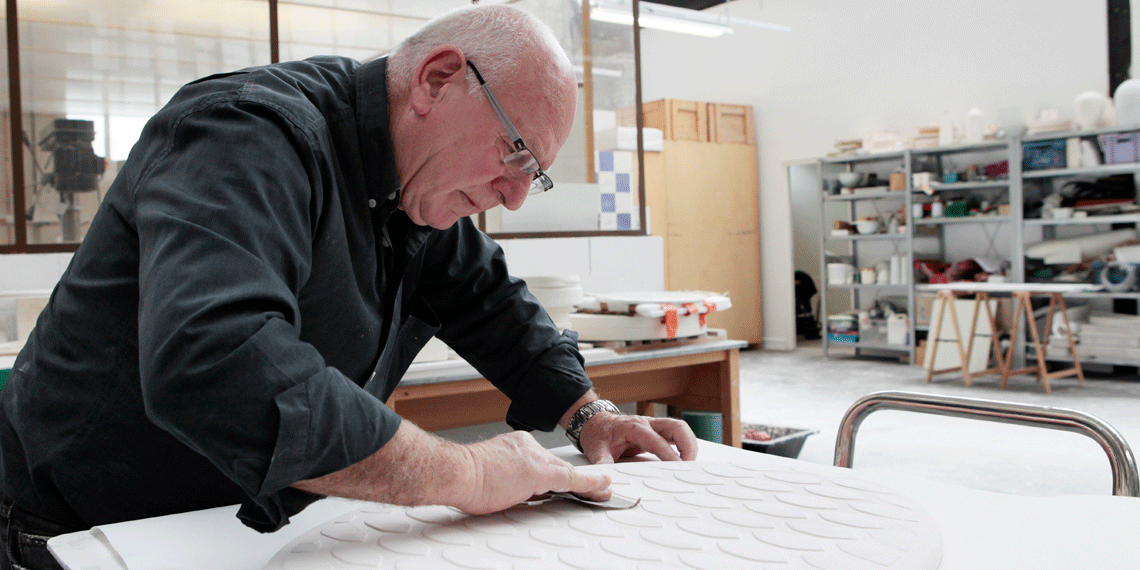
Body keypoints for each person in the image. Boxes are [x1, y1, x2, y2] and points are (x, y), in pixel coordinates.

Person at [0, 5, 698, 569]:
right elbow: (215, 360)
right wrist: (468, 475)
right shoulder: (243, 133)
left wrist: (589, 413)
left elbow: (491, 302)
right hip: (83, 532)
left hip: (238, 527)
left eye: (534, 174)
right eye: (515, 152)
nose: (513, 198)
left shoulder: (414, 186)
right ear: (437, 79)